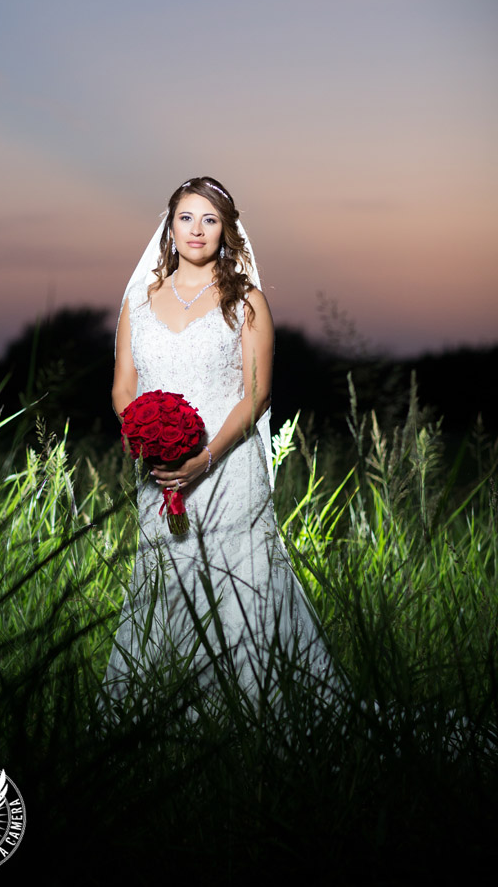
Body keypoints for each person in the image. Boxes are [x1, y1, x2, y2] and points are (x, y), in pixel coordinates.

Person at [103, 176, 335, 714]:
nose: (197, 230)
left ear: (227, 231)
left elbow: (256, 394)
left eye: (211, 220)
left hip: (229, 468)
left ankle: (259, 707)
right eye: (187, 217)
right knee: (166, 581)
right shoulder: (138, 302)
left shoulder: (246, 301)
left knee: (241, 583)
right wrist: (149, 440)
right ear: (170, 225)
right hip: (161, 472)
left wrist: (204, 457)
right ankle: (165, 706)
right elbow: (123, 387)